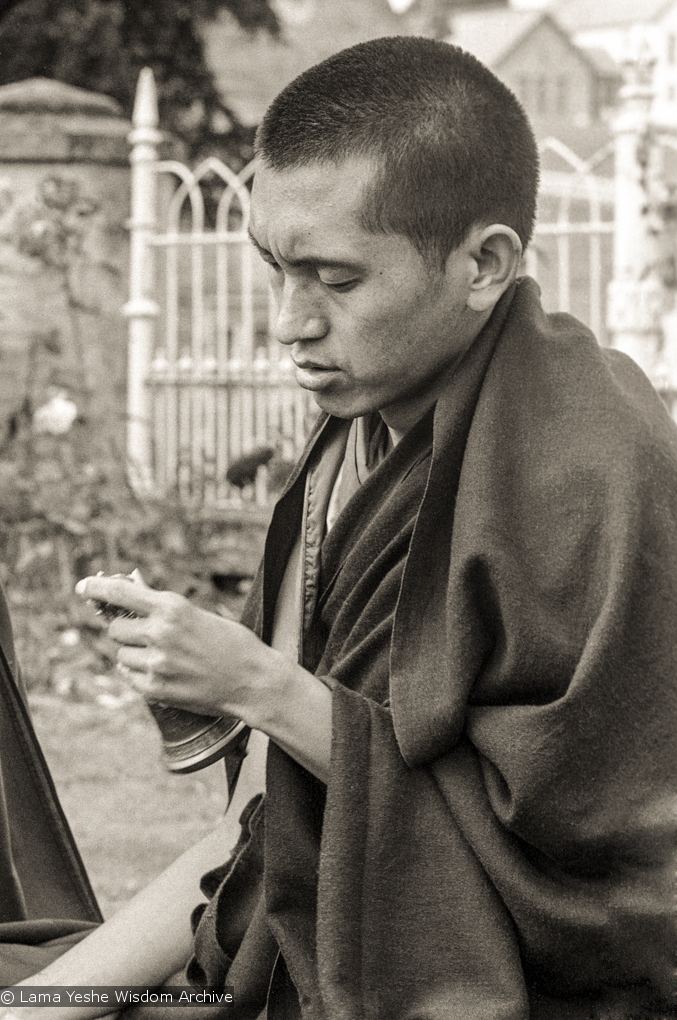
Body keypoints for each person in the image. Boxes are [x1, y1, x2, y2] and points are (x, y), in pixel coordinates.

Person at [2, 34, 676, 1020]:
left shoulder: (588, 468)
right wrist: (45, 1003)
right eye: (274, 269)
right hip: (288, 956)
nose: (290, 323)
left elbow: (594, 891)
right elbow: (258, 824)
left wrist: (259, 686)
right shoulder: (346, 449)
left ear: (484, 263)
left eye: (336, 280)